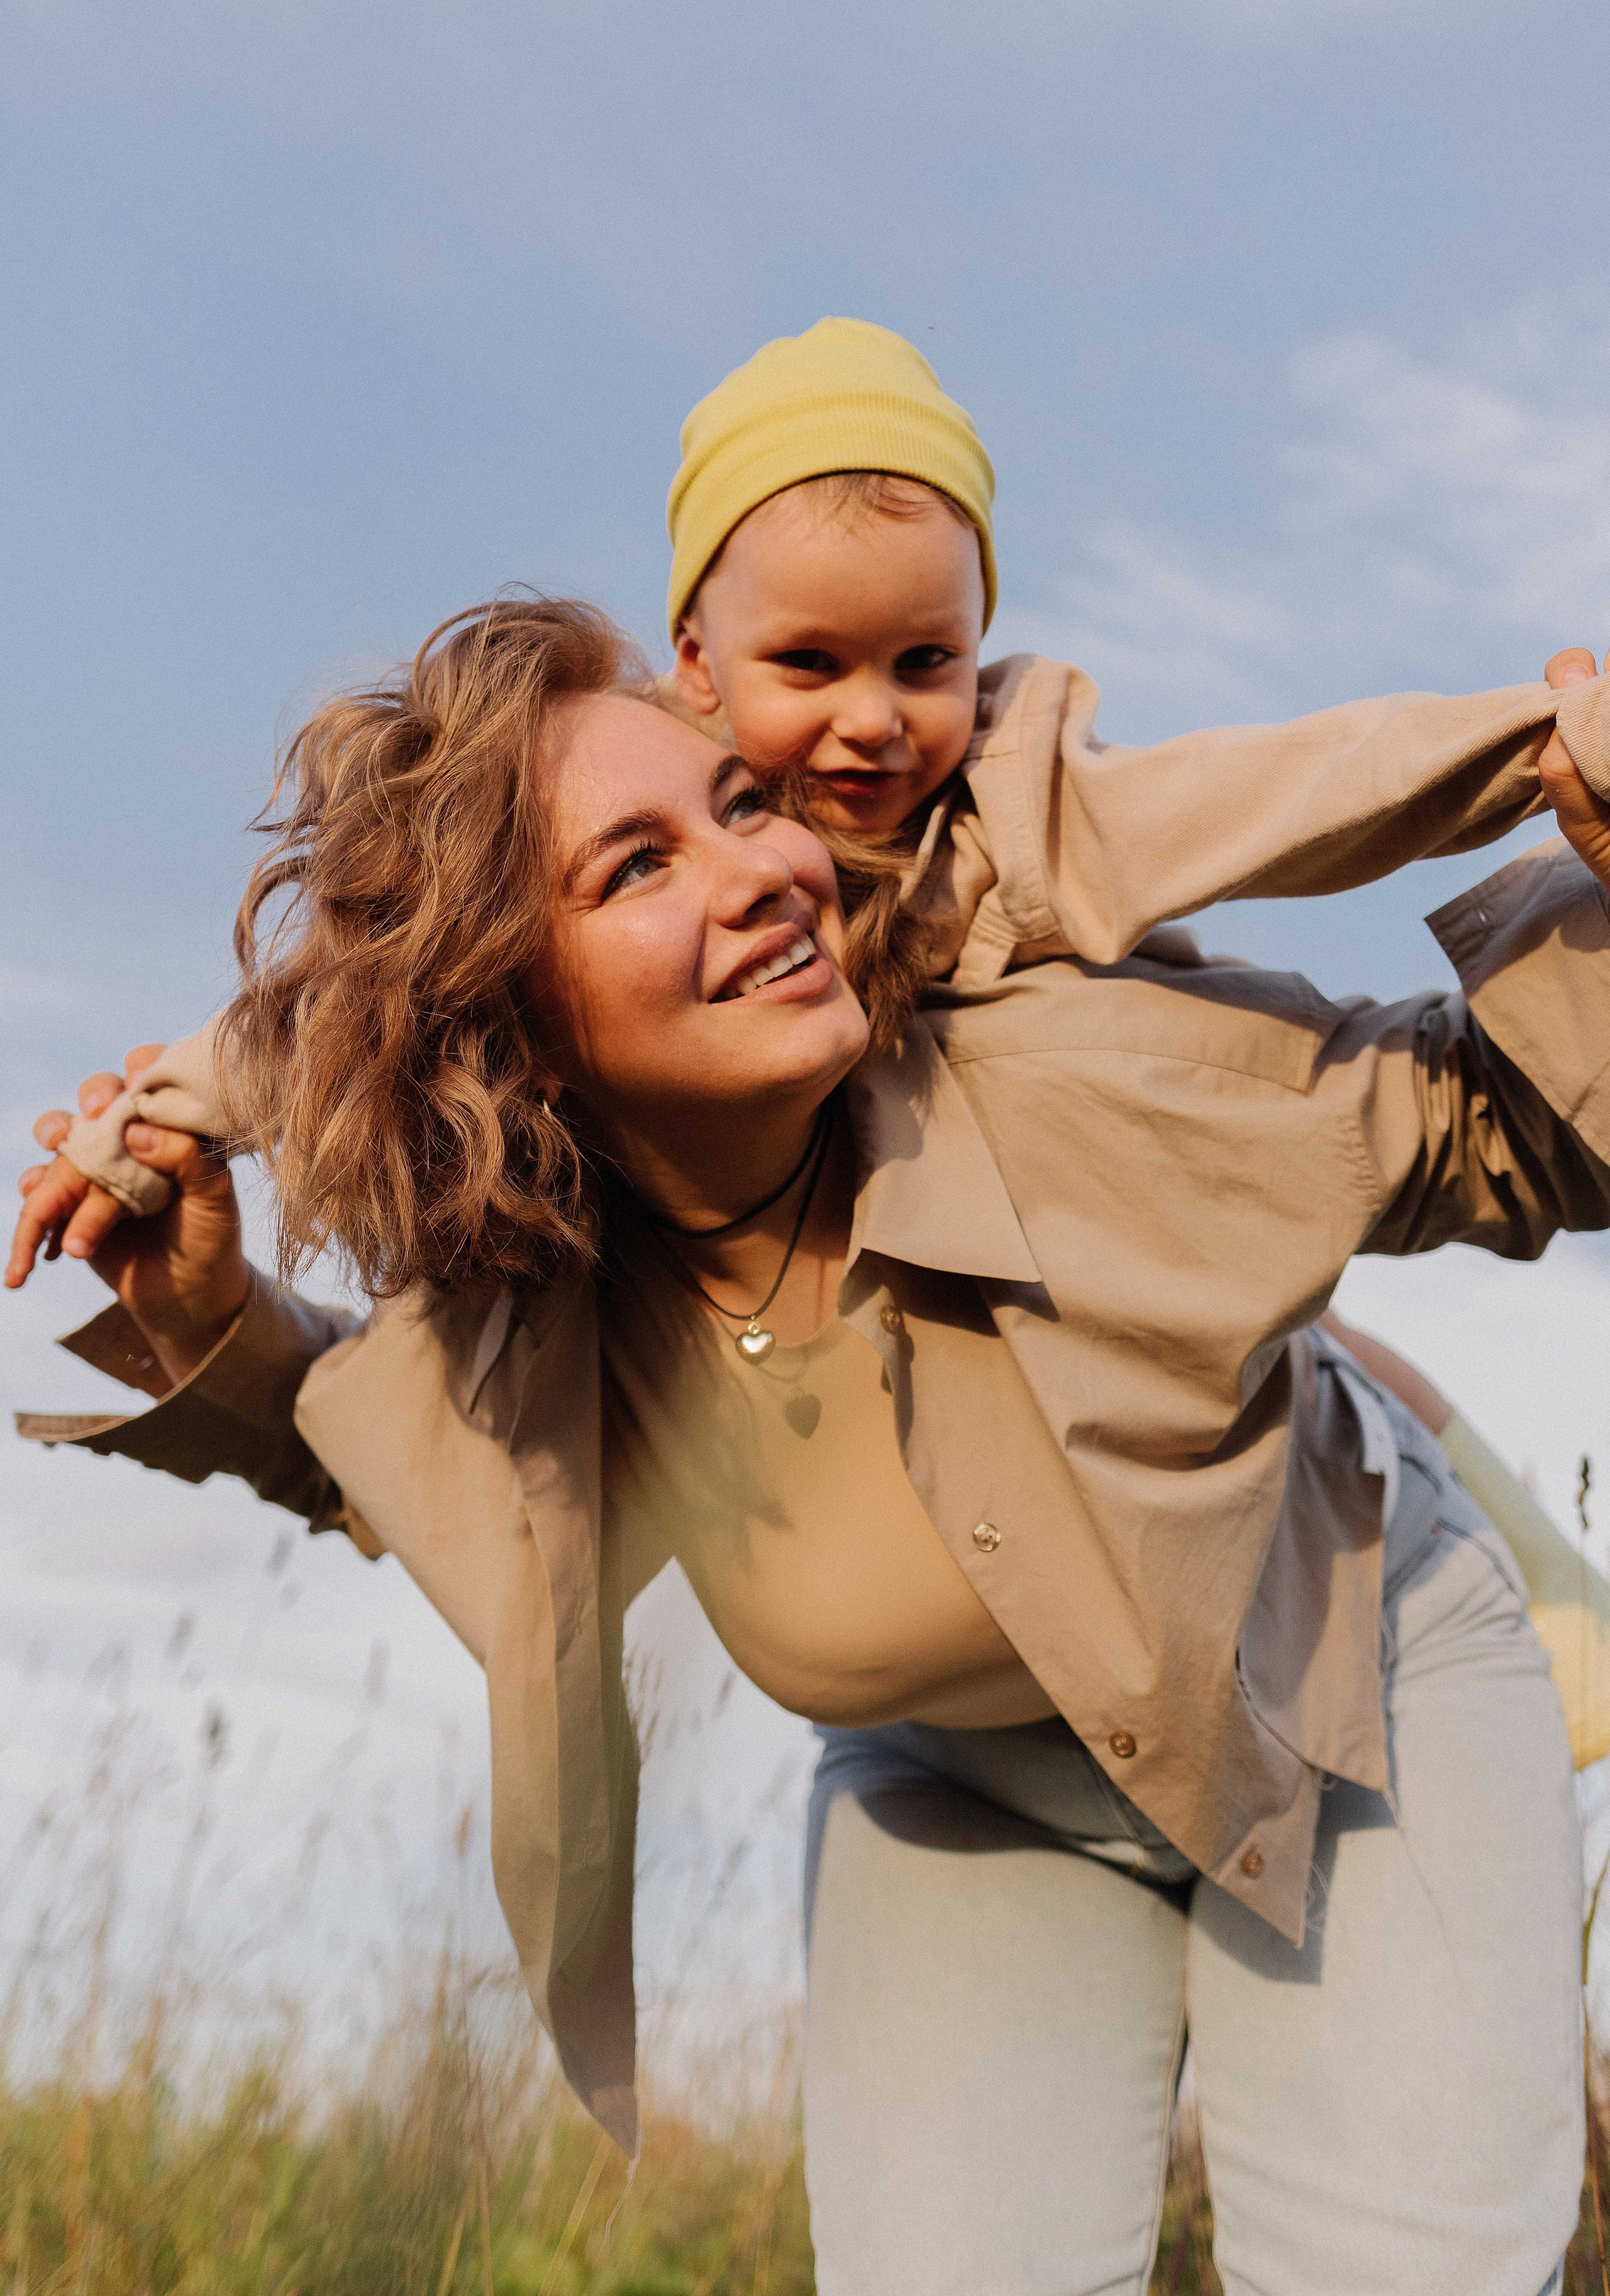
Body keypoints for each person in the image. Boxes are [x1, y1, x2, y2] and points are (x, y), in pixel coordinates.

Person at [11, 596, 1610, 2294]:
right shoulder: (548, 1302)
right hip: (962, 1789)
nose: (761, 871)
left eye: (741, 806)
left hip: (1340, 1688)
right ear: (512, 1027)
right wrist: (202, 1313)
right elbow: (394, 1478)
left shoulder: (1065, 1075)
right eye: (633, 868)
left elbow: (1504, 1134)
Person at [27, 317, 1610, 1758]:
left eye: (926, 663)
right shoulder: (572, 1103)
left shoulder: (1019, 824)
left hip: (1182, 1299)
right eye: (810, 668)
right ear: (699, 668)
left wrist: (1529, 747)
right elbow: (332, 1026)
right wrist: (156, 1127)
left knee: (1265, 1316)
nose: (871, 726)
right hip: (966, 1757)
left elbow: (1288, 793)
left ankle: (1478, 1533)